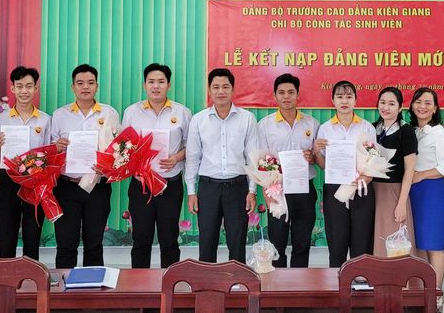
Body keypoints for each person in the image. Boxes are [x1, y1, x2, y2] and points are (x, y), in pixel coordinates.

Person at [50, 64, 121, 269]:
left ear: (97, 86)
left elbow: (120, 150)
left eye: (90, 83)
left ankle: (93, 287)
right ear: (73, 87)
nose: (85, 87)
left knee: (94, 243)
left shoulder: (109, 113)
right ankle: (64, 287)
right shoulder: (60, 115)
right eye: (80, 83)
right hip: (67, 187)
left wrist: (108, 166)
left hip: (98, 186)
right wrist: (57, 146)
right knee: (66, 243)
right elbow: (50, 151)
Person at [121, 63, 192, 268]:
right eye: (151, 82)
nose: (156, 86)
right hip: (141, 185)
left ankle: (169, 283)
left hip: (170, 185)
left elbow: (191, 147)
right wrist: (134, 165)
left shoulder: (182, 112)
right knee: (140, 239)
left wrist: (176, 158)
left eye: (161, 82)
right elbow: (123, 148)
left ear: (168, 85)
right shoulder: (132, 112)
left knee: (169, 240)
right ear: (144, 85)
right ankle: (139, 285)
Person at [185, 68, 258, 263]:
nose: (220, 91)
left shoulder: (247, 118)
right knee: (207, 241)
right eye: (216, 87)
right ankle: (208, 280)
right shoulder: (198, 120)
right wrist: (191, 192)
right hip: (208, 188)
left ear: (233, 89)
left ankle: (237, 278)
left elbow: (252, 158)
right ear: (209, 90)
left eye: (225, 86)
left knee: (237, 241)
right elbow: (192, 158)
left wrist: (252, 191)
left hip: (238, 187)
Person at [256, 73, 320, 268]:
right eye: (281, 92)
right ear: (275, 95)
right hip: (277, 191)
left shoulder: (312, 124)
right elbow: (261, 162)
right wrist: (267, 194)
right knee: (277, 243)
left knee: (302, 243)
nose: (286, 96)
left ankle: (300, 282)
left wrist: (312, 158)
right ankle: (278, 283)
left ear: (298, 95)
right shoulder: (265, 125)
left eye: (291, 92)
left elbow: (318, 158)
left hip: (304, 189)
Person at [0, 66, 51, 260]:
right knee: (7, 235)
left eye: (29, 86)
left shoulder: (45, 120)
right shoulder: (1, 119)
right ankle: (6, 276)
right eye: (20, 86)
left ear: (36, 88)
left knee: (32, 235)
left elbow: (49, 154)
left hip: (35, 182)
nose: (24, 91)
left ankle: (31, 277)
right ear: (13, 89)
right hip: (9, 180)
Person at [315, 80, 376, 267]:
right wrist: (317, 152)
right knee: (337, 240)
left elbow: (374, 160)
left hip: (361, 187)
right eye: (340, 96)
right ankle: (336, 279)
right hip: (335, 189)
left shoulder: (367, 127)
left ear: (355, 100)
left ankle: (362, 279)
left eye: (349, 97)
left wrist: (366, 177)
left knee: (362, 239)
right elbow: (323, 165)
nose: (344, 101)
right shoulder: (325, 128)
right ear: (333, 100)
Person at [408, 88, 444, 303]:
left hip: (431, 191)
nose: (422, 106)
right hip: (412, 191)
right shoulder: (411, 131)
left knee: (434, 245)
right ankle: (419, 294)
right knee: (419, 245)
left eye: (428, 103)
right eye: (418, 102)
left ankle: (435, 296)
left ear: (436, 108)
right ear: (412, 105)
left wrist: (421, 175)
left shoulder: (440, 133)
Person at [370, 87, 416, 257]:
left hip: (395, 192)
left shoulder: (406, 131)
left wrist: (402, 203)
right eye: (382, 103)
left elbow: (410, 169)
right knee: (373, 238)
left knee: (394, 242)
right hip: (372, 191)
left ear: (400, 107)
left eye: (391, 104)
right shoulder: (371, 128)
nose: (386, 107)